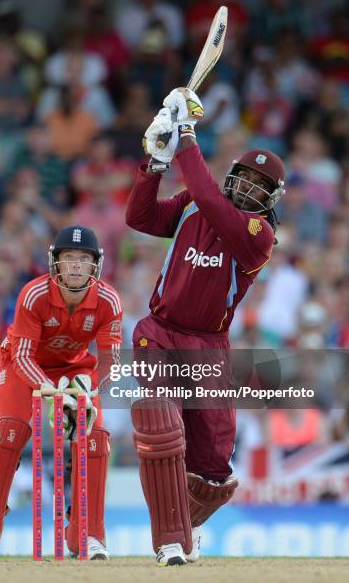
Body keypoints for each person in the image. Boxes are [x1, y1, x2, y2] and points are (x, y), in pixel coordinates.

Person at [125, 88, 285, 566]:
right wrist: (153, 164)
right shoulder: (195, 204)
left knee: (213, 468)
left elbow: (210, 199)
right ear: (233, 175)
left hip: (210, 347)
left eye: (261, 185)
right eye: (245, 177)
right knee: (162, 424)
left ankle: (183, 529)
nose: (250, 188)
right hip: (159, 332)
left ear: (271, 198)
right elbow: (140, 217)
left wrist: (185, 136)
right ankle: (169, 539)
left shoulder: (260, 235)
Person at [0, 226, 122, 560]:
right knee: (11, 429)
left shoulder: (108, 300)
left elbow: (109, 362)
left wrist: (85, 389)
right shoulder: (34, 294)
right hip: (23, 366)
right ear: (56, 262)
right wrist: (53, 394)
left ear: (95, 264)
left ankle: (88, 535)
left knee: (96, 435)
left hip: (76, 371)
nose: (76, 266)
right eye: (69, 258)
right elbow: (22, 355)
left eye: (83, 259)